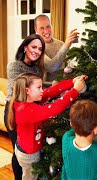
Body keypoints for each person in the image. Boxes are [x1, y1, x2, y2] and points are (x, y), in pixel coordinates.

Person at [7, 73, 86, 180]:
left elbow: (51, 91)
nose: (42, 90)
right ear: (27, 91)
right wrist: (75, 90)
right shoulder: (26, 110)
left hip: (25, 147)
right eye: (39, 87)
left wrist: (72, 82)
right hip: (29, 155)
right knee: (30, 177)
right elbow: (54, 108)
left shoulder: (28, 99)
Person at [4, 33, 56, 179]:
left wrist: (51, 86)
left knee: (33, 148)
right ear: (25, 47)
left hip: (32, 108)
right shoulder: (14, 66)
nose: (37, 51)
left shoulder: (38, 68)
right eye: (33, 47)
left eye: (40, 49)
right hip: (15, 111)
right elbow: (24, 89)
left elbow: (35, 85)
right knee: (19, 150)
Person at [61, 100, 97, 179]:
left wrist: (95, 121)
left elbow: (77, 126)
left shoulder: (66, 139)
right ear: (95, 129)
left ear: (71, 123)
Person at [34, 14, 79, 82]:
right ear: (36, 29)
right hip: (46, 89)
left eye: (48, 26)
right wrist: (66, 45)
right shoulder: (36, 48)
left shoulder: (60, 44)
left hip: (64, 88)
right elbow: (52, 67)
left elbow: (69, 66)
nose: (46, 31)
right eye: (42, 28)